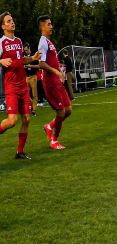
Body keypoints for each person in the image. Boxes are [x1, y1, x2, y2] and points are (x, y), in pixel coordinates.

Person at [0, 12, 40, 159]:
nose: (12, 23)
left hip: (23, 85)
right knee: (12, 121)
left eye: (12, 20)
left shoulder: (18, 41)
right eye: (9, 21)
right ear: (3, 26)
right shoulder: (1, 43)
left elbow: (20, 60)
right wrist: (1, 62)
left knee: (27, 119)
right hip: (11, 86)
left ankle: (20, 151)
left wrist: (32, 58)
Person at [36, 15, 72, 149]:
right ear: (42, 27)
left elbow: (51, 61)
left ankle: (49, 126)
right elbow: (41, 64)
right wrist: (56, 71)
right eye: (49, 24)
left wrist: (59, 71)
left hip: (57, 81)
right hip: (50, 82)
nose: (51, 27)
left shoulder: (49, 42)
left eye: (51, 24)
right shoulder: (43, 43)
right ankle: (54, 141)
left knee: (68, 110)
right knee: (61, 112)